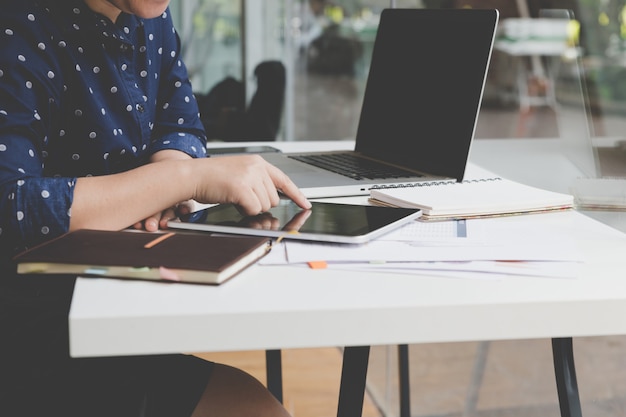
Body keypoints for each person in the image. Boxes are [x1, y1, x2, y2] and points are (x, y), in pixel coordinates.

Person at [0, 1, 310, 416]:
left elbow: (180, 125)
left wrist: (165, 178)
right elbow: (13, 207)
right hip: (34, 336)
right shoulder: (18, 23)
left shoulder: (152, 15)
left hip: (113, 308)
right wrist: (181, 181)